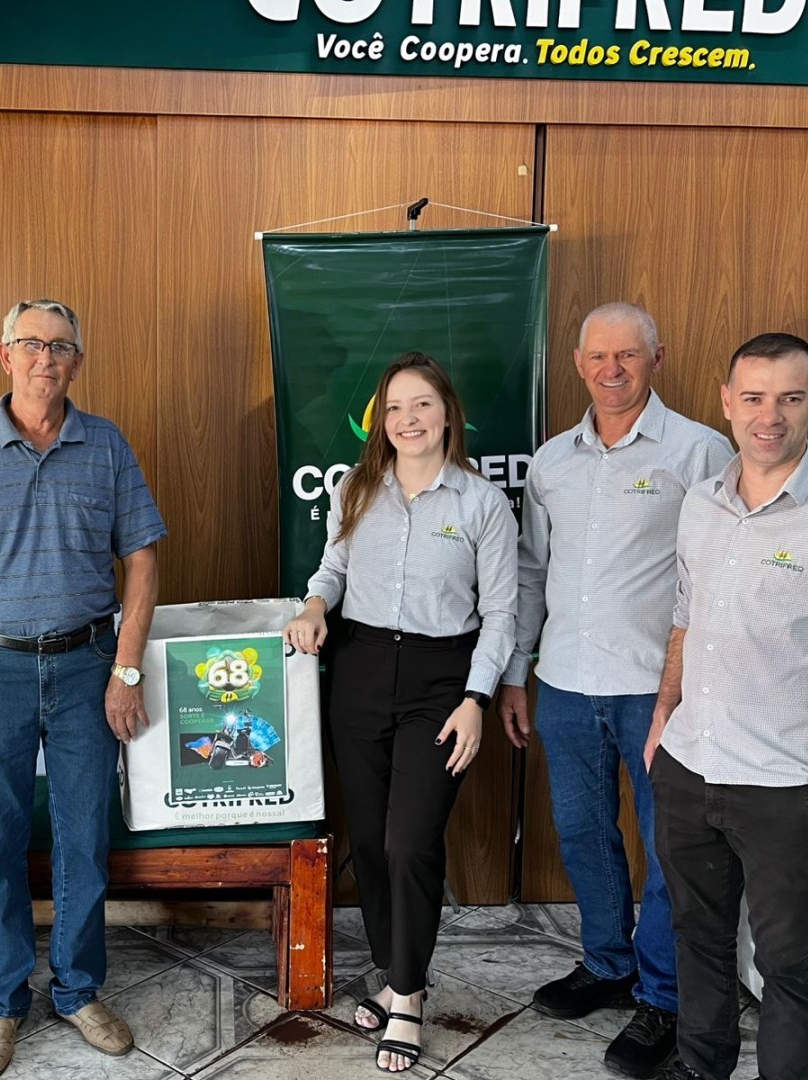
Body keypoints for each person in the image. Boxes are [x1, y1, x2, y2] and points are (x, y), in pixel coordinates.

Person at [644, 333, 808, 1080]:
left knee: (789, 967)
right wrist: (664, 718)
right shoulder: (702, 502)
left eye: (790, 398)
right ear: (727, 403)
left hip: (787, 790)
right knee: (698, 942)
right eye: (754, 398)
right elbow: (685, 617)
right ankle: (701, 1067)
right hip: (690, 768)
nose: (771, 416)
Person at [0, 299, 166, 1077]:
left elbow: (142, 561)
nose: (45, 358)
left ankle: (79, 990)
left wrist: (125, 669)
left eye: (60, 347)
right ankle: (1, 1003)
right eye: (31, 344)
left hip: (89, 665)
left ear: (77, 362)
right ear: (5, 355)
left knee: (85, 838)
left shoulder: (106, 443)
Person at [495, 303, 733, 1078]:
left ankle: (664, 997)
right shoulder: (552, 461)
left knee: (670, 850)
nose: (612, 369)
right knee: (582, 833)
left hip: (660, 692)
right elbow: (532, 571)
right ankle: (607, 963)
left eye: (627, 355)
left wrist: (694, 683)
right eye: (598, 355)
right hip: (565, 682)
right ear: (577, 363)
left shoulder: (700, 451)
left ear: (656, 358)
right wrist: (516, 672)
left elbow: (720, 574)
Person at [285, 352, 517, 1073]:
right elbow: (333, 568)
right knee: (371, 840)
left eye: (421, 405)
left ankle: (408, 998)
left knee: (411, 841)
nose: (407, 419)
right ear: (379, 421)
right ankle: (393, 972)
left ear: (448, 414)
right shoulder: (357, 489)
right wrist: (315, 604)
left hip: (441, 682)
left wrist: (477, 699)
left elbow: (501, 614)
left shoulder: (482, 503)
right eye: (393, 407)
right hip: (358, 673)